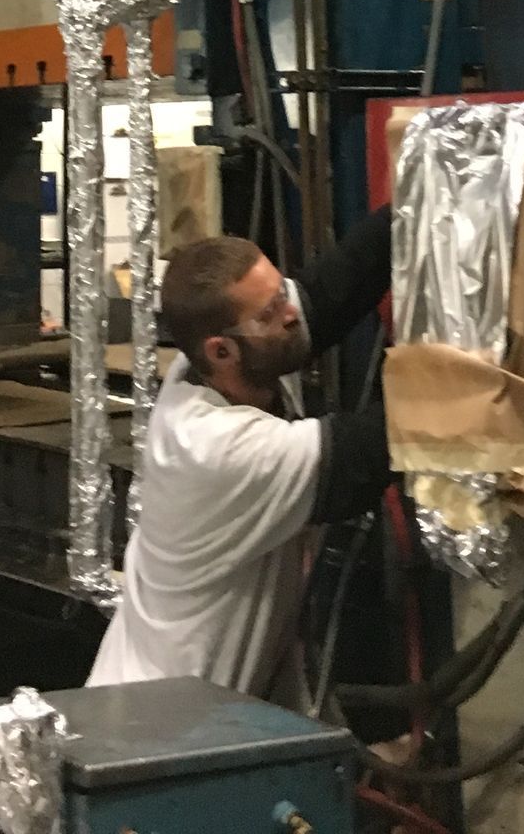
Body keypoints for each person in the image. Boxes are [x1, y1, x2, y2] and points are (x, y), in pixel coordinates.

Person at [90, 209, 394, 702]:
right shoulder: (213, 449)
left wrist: (415, 198)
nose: (289, 312)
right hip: (158, 724)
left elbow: (334, 288)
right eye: (271, 313)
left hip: (207, 711)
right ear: (221, 351)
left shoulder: (235, 361)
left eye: (279, 294)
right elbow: (374, 449)